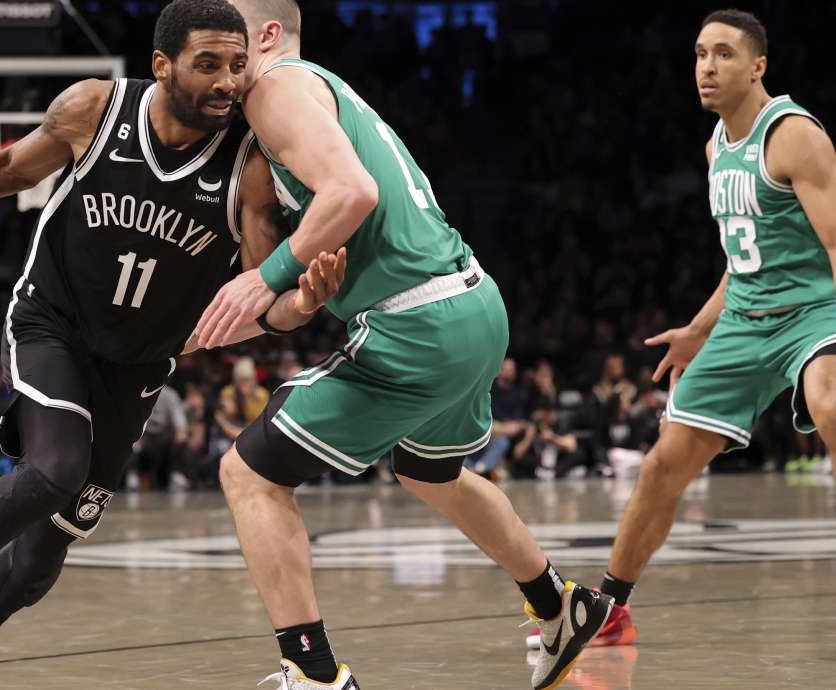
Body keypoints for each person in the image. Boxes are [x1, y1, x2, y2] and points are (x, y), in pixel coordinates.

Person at [0, 2, 345, 687]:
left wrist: (304, 301)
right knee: (55, 467)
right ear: (162, 65)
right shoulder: (97, 109)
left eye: (237, 65)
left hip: (137, 366)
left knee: (41, 561)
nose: (227, 81)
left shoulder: (247, 166)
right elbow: (6, 169)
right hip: (52, 322)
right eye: (208, 64)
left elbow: (259, 291)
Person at [196, 2, 608, 688]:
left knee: (249, 473)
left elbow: (352, 191)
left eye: (228, 40)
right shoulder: (317, 97)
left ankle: (314, 675)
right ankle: (559, 606)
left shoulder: (277, 87)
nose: (219, 59)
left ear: (266, 36)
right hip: (473, 302)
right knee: (428, 473)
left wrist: (262, 279)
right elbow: (293, 295)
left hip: (416, 322)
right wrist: (275, 296)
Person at [527, 9, 836, 651]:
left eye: (723, 54)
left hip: (813, 312)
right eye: (699, 54)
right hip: (744, 323)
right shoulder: (715, 148)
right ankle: (610, 609)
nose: (706, 66)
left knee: (831, 399)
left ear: (758, 66)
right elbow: (741, 256)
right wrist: (698, 327)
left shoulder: (795, 134)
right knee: (662, 466)